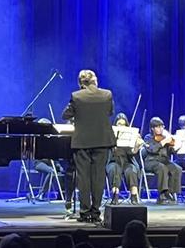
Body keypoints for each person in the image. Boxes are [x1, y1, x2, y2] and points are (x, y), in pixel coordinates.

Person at [61, 69, 115, 223]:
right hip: (102, 141)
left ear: (81, 83)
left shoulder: (76, 96)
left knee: (83, 178)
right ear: (95, 80)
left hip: (82, 142)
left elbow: (65, 115)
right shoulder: (107, 95)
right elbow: (110, 112)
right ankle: (96, 212)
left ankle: (84, 213)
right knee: (98, 178)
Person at [142, 117, 182, 205]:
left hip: (164, 161)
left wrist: (175, 148)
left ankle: (170, 193)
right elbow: (152, 150)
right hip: (151, 161)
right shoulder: (148, 138)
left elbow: (171, 152)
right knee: (162, 168)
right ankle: (162, 194)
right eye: (158, 127)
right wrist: (163, 143)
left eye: (162, 126)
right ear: (152, 128)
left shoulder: (165, 137)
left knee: (177, 168)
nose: (161, 129)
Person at [108, 113, 143, 204]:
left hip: (127, 161)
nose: (121, 126)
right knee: (114, 170)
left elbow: (133, 152)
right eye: (119, 124)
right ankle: (115, 196)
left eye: (123, 124)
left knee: (131, 171)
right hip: (113, 160)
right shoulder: (110, 134)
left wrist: (136, 146)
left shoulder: (130, 136)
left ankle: (134, 196)